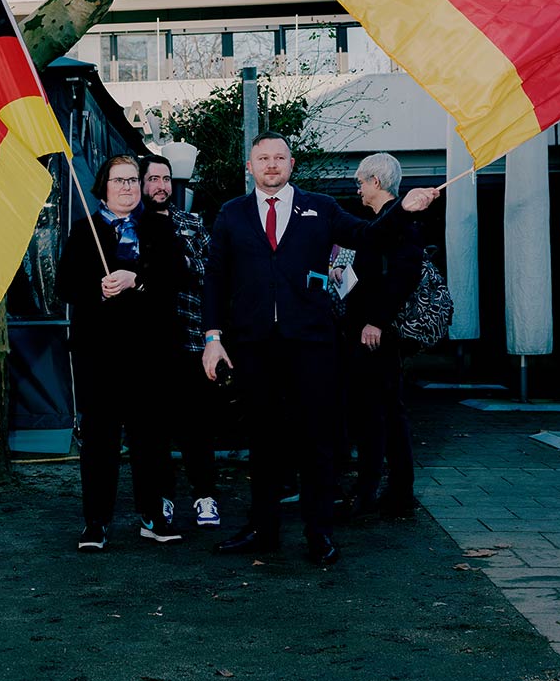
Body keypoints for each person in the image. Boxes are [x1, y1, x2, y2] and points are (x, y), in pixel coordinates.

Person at [201, 131, 438, 565]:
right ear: (249, 168)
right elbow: (215, 277)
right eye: (263, 158)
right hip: (253, 346)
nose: (271, 165)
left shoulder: (322, 208)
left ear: (292, 165)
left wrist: (403, 210)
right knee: (264, 439)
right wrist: (212, 338)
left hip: (311, 345)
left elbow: (369, 237)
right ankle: (263, 528)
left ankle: (319, 532)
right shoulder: (231, 214)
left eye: (280, 157)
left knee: (317, 440)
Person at [58, 155, 185, 551]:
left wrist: (139, 279)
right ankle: (96, 522)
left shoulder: (160, 228)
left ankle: (153, 517)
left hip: (150, 353)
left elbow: (178, 276)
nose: (128, 187)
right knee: (99, 440)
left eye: (133, 180)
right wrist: (97, 289)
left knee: (151, 438)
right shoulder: (83, 231)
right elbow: (64, 286)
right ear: (104, 186)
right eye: (120, 181)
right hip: (99, 354)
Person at [338, 153, 423, 520]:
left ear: (375, 181)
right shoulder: (380, 221)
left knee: (377, 412)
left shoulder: (398, 221)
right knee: (384, 410)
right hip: (370, 331)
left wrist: (375, 321)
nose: (357, 189)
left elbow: (402, 277)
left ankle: (374, 491)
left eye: (360, 182)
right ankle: (391, 491)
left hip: (376, 334)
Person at [140, 154, 221, 528]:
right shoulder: (131, 226)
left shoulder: (190, 222)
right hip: (149, 343)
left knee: (197, 424)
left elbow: (211, 270)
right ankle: (164, 499)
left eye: (166, 179)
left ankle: (205, 496)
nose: (161, 186)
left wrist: (179, 267)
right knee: (155, 427)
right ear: (140, 184)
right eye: (153, 178)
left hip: (190, 337)